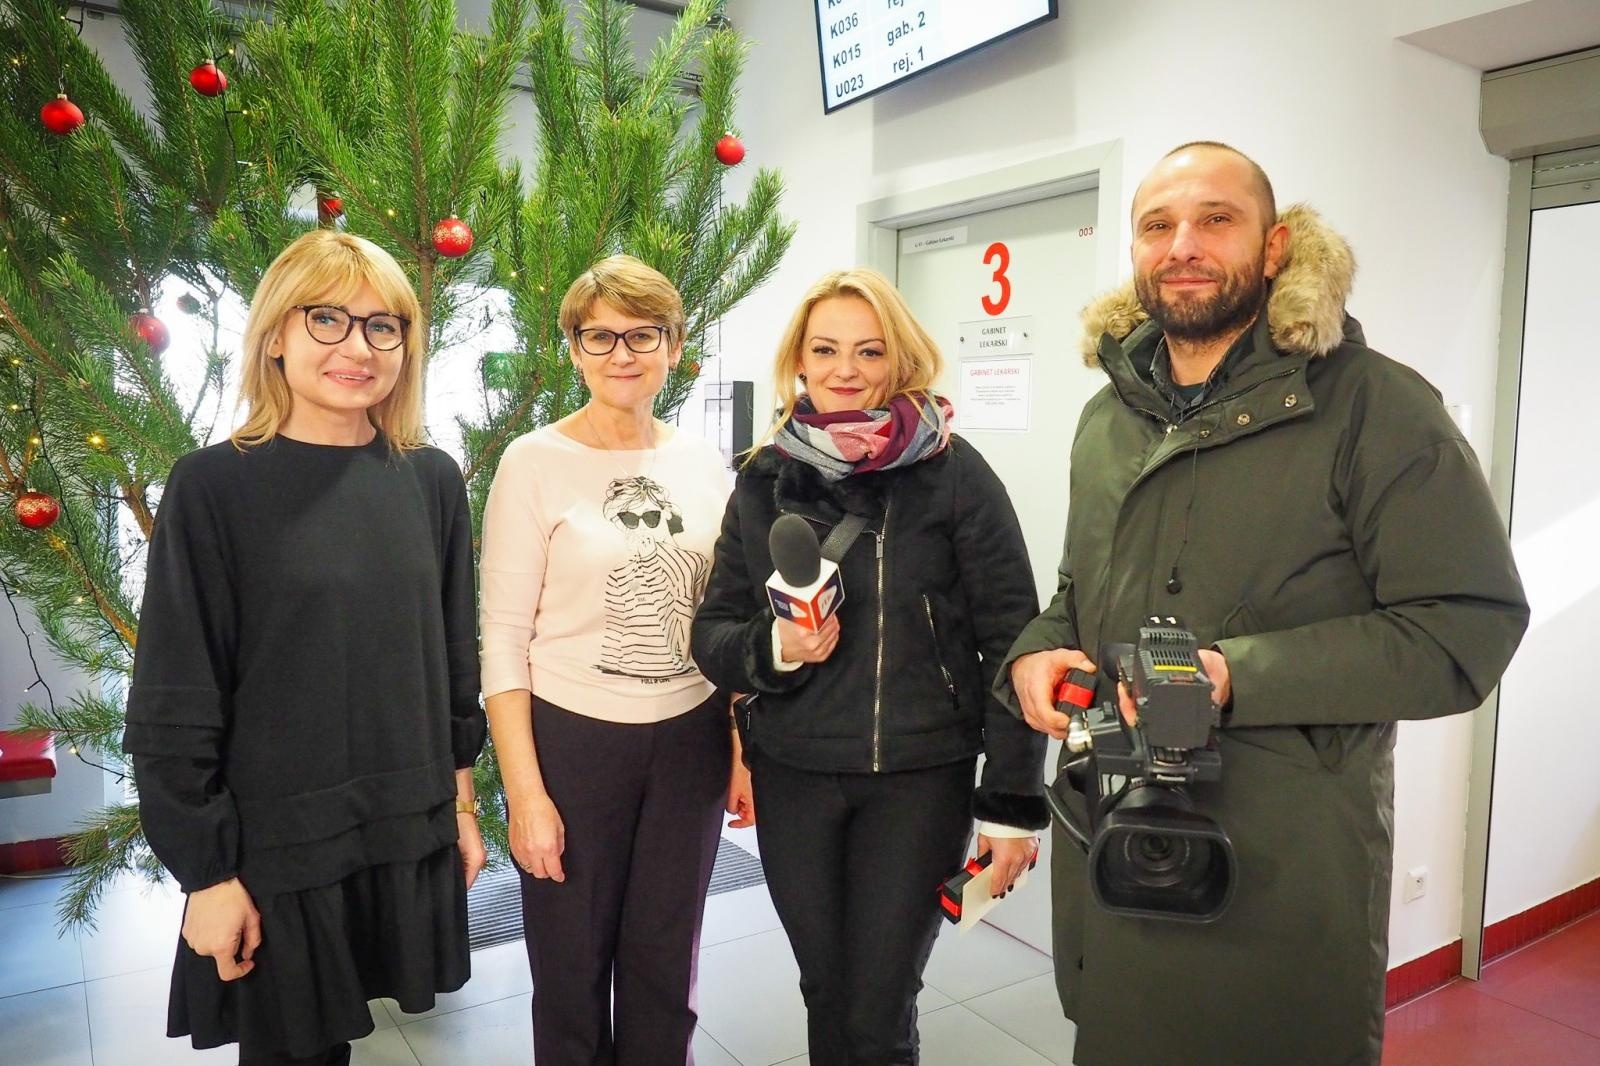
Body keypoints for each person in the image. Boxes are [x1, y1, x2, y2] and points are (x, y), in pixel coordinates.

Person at [998, 142, 1529, 1066]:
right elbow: (1080, 593)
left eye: (1216, 219)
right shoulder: (1108, 417)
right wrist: (1038, 650)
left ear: (1276, 245)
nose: (1183, 245)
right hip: (1118, 844)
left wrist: (1232, 678)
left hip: (1284, 872)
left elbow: (1467, 629)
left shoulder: (1379, 408)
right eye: (1157, 226)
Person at [125, 229, 487, 1066]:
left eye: (381, 325)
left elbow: (450, 666)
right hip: (275, 849)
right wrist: (206, 875)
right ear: (276, 335)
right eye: (327, 319)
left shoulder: (430, 479)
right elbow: (175, 699)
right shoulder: (212, 486)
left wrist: (462, 806)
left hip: (399, 823)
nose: (357, 347)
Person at [691, 268, 1048, 1065]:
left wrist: (1012, 804)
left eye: (868, 350)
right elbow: (713, 632)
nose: (845, 369)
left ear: (900, 361)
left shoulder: (956, 475)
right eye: (826, 349)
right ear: (800, 362)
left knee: (880, 1007)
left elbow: (1015, 642)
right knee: (827, 992)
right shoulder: (762, 476)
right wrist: (777, 648)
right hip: (796, 774)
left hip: (920, 779)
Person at [478, 254, 743, 1064]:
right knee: (570, 969)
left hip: (688, 736)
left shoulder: (703, 463)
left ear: (674, 344)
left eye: (642, 335)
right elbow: (503, 641)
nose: (621, 354)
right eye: (600, 337)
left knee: (667, 962)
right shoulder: (533, 461)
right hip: (573, 744)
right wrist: (526, 794)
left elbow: (725, 617)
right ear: (573, 349)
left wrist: (738, 748)